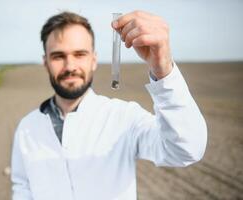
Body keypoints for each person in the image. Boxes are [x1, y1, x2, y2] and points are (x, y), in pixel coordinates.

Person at [11, 10, 207, 200]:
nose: (70, 66)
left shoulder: (124, 117)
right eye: (58, 56)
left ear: (94, 60)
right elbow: (22, 187)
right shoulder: (27, 128)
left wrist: (163, 69)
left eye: (80, 54)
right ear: (45, 62)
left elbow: (185, 150)